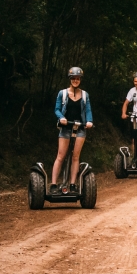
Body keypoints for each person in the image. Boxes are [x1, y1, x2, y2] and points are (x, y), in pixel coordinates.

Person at [51, 66, 93, 195]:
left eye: (78, 78)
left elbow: (88, 110)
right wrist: (61, 117)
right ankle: (53, 184)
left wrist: (90, 121)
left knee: (75, 157)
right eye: (73, 78)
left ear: (80, 80)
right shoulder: (62, 93)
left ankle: (73, 184)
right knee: (61, 155)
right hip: (65, 127)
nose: (76, 80)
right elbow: (57, 109)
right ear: (70, 79)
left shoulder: (85, 95)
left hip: (80, 128)